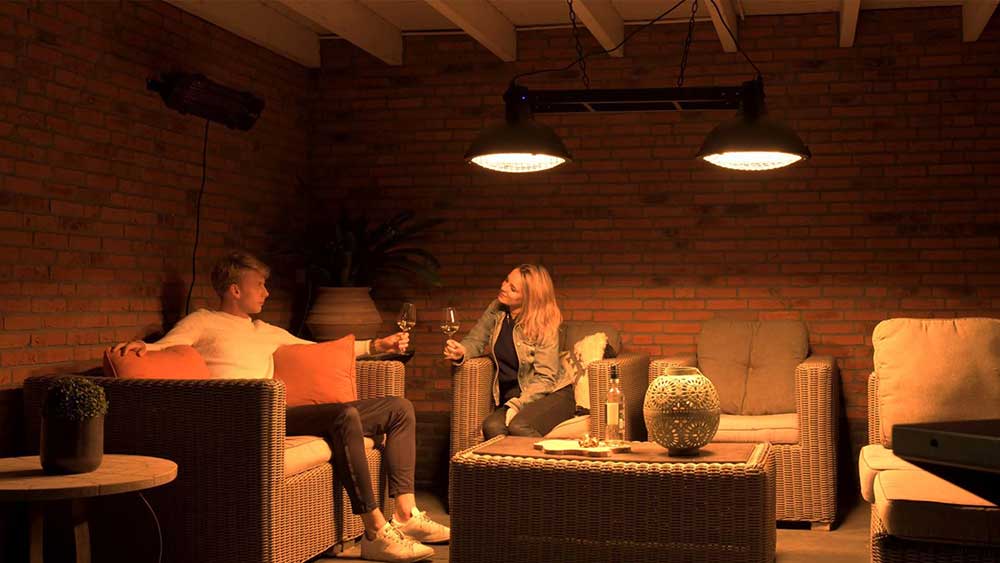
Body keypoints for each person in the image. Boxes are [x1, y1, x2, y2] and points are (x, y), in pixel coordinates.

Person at [111, 251, 447, 563]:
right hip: (244, 417)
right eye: (259, 285)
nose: (266, 292)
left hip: (278, 412)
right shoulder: (204, 321)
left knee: (399, 408)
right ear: (235, 290)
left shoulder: (264, 330)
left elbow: (317, 348)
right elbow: (167, 345)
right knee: (343, 416)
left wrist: (377, 345)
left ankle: (405, 514)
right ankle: (374, 531)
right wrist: (143, 346)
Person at [442, 264, 574, 438]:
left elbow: (546, 378)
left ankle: (544, 457)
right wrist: (462, 351)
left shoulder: (544, 323)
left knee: (519, 426)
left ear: (529, 297)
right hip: (515, 396)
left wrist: (517, 406)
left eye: (513, 289)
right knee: (491, 426)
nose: (503, 287)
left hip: (551, 395)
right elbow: (476, 340)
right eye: (506, 280)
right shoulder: (497, 309)